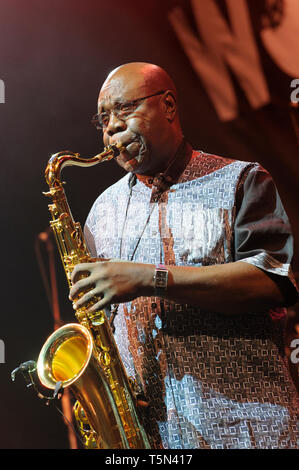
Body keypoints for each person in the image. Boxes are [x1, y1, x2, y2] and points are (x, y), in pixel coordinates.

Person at [69, 62, 299, 449]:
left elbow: (274, 281)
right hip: (152, 440)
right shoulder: (100, 212)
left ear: (169, 105)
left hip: (248, 431)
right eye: (103, 118)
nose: (111, 126)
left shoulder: (241, 180)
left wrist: (149, 278)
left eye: (124, 109)